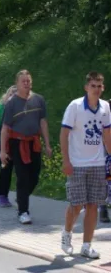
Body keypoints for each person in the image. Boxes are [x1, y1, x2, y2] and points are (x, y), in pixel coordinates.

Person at [60, 72, 111, 259]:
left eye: (99, 86)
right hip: (77, 163)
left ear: (103, 88)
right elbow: (64, 134)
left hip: (97, 163)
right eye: (93, 85)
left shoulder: (105, 107)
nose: (96, 89)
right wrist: (66, 160)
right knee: (76, 204)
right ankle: (66, 234)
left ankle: (87, 245)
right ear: (86, 87)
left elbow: (107, 135)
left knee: (93, 205)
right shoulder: (75, 106)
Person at [0, 70, 52, 224]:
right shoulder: (11, 103)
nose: (26, 83)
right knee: (22, 176)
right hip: (17, 143)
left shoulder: (39, 100)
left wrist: (47, 144)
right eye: (23, 81)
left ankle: (21, 198)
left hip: (34, 142)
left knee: (34, 176)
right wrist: (3, 151)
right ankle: (23, 211)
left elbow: (43, 122)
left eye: (28, 81)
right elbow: (4, 128)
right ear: (17, 83)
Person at [0, 85, 17, 207]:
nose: (12, 97)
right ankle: (2, 196)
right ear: (7, 95)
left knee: (22, 171)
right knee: (5, 169)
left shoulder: (21, 110)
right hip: (1, 144)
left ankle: (21, 196)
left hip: (17, 143)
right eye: (11, 94)